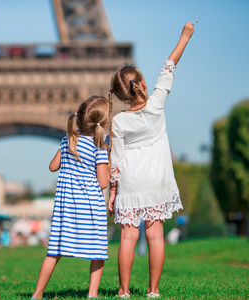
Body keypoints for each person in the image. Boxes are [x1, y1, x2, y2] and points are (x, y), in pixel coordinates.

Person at [108, 22, 195, 298]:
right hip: (156, 180)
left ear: (121, 95)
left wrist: (112, 192)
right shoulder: (157, 104)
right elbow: (170, 65)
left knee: (128, 237)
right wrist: (185, 36)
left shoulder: (118, 121)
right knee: (155, 236)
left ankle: (123, 291)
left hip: (131, 183)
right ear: (142, 85)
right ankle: (153, 290)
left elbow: (116, 160)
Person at [31, 95, 111, 300]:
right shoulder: (99, 147)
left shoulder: (67, 139)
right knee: (98, 251)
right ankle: (92, 294)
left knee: (54, 251)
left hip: (66, 207)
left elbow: (52, 167)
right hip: (90, 207)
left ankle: (37, 294)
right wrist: (108, 160)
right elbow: (103, 182)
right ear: (101, 124)